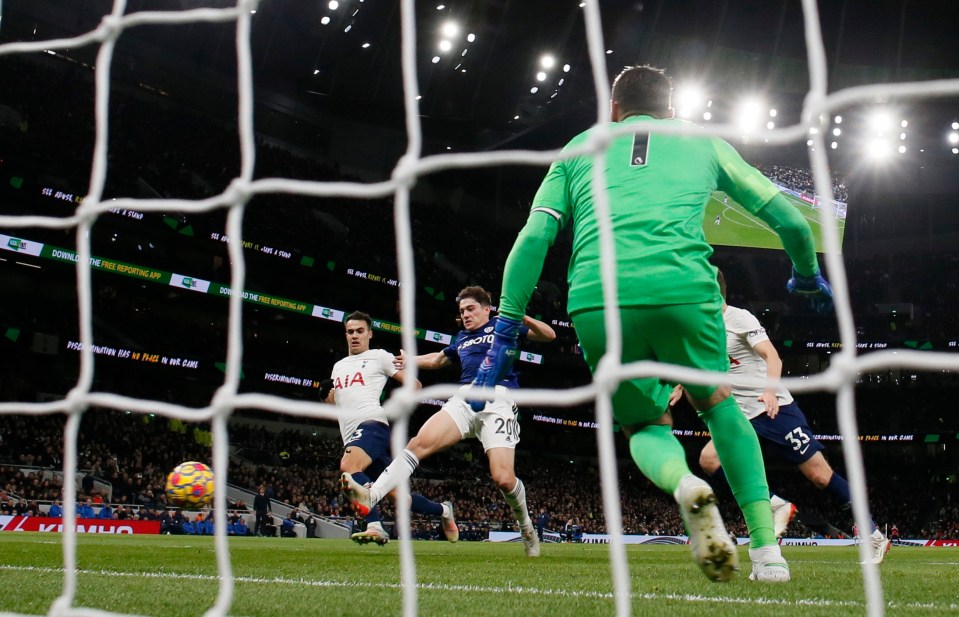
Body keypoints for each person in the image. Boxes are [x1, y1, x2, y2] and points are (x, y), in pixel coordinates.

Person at [474, 65, 834, 581]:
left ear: (614, 110)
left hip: (599, 299)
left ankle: (686, 486)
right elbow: (794, 223)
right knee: (720, 407)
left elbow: (534, 239)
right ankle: (767, 553)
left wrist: (507, 325)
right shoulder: (703, 142)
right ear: (671, 111)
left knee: (643, 425)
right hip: (685, 290)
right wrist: (804, 276)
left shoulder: (579, 145)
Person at [675, 269, 890, 564]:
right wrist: (677, 385)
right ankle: (776, 505)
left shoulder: (740, 319)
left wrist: (771, 392)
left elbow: (773, 357)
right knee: (708, 460)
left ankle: (874, 536)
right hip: (738, 414)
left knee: (819, 475)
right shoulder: (701, 326)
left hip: (774, 409)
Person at [341, 286, 556, 557]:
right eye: (462, 311)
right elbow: (439, 359)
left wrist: (521, 316)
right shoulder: (462, 337)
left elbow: (549, 335)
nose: (465, 315)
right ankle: (372, 496)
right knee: (418, 443)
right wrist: (410, 360)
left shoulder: (504, 325)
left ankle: (526, 528)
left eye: (470, 309)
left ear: (487, 309)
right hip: (464, 399)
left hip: (498, 400)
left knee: (503, 479)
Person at [327, 310, 458, 546]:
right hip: (352, 435)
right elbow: (334, 402)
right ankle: (444, 510)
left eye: (360, 331)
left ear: (370, 334)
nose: (355, 336)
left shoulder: (379, 357)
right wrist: (325, 396)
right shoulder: (338, 367)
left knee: (348, 466)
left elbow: (414, 384)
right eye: (350, 332)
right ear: (345, 335)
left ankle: (374, 526)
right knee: (400, 498)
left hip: (372, 425)